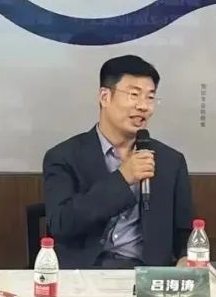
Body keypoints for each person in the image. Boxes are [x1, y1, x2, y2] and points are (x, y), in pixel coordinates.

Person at [42, 55, 194, 269]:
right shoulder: (63, 156)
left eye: (150, 97)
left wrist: (185, 257)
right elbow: (61, 224)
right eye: (134, 95)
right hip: (84, 275)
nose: (144, 106)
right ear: (105, 97)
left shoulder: (170, 161)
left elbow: (185, 232)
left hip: (147, 275)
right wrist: (123, 179)